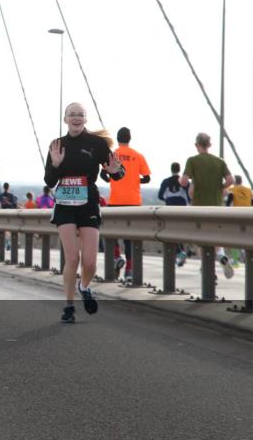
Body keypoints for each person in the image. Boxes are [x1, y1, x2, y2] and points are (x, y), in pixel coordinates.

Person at [44, 102, 124, 323]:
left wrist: (115, 172)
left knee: (89, 262)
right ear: (65, 119)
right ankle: (68, 307)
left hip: (88, 202)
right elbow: (49, 180)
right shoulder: (57, 144)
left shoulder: (96, 144)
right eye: (72, 114)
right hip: (65, 205)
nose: (76, 118)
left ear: (85, 119)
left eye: (80, 115)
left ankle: (84, 287)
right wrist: (56, 164)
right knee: (72, 258)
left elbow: (117, 172)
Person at [179, 132, 235, 279]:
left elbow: (184, 182)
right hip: (217, 206)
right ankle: (222, 256)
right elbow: (231, 179)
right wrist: (221, 187)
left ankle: (205, 267)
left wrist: (184, 181)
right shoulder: (219, 162)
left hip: (199, 207)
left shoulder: (192, 161)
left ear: (197, 145)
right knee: (216, 236)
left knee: (201, 239)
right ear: (209, 145)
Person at [101, 127, 151, 282]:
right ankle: (129, 270)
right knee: (130, 237)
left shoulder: (112, 155)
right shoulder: (138, 156)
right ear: (130, 138)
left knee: (110, 232)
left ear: (117, 138)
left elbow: (103, 174)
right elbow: (147, 178)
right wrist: (137, 180)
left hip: (115, 200)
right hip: (134, 203)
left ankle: (117, 256)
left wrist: (111, 179)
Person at [157, 162, 191, 266]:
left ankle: (180, 253)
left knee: (171, 232)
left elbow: (160, 196)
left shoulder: (165, 181)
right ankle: (181, 253)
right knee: (179, 231)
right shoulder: (185, 182)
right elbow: (189, 197)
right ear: (179, 169)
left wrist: (167, 199)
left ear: (171, 169)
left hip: (170, 210)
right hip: (182, 210)